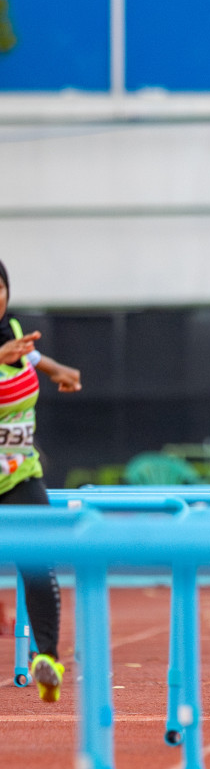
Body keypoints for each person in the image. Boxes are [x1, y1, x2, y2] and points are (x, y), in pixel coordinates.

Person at [0, 259, 82, 702]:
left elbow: (31, 356)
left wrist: (59, 371)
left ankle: (45, 657)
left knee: (39, 561)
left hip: (17, 473)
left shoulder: (13, 330)